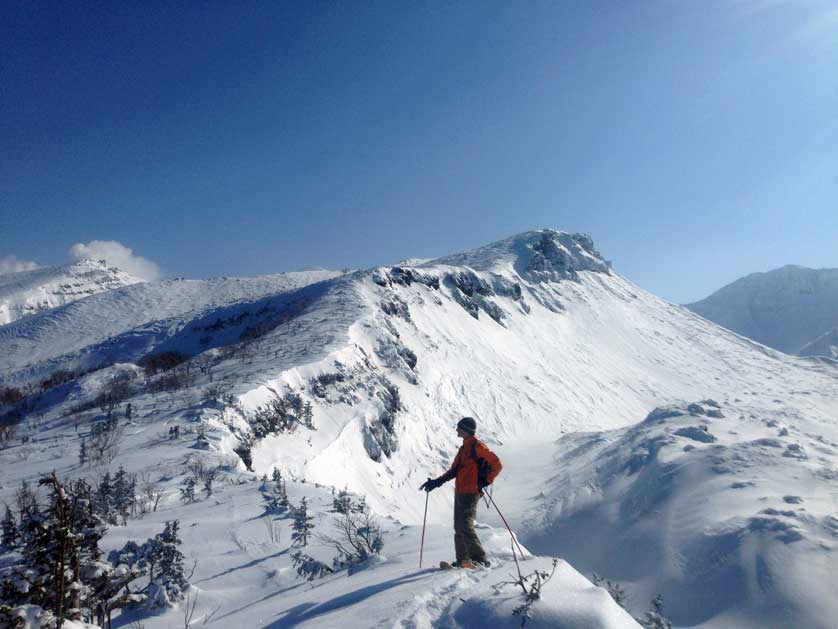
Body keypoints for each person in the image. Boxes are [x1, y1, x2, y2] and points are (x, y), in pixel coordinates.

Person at [420, 416, 503, 568]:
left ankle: (480, 558)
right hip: (461, 491)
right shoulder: (464, 448)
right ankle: (463, 559)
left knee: (465, 525)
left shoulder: (477, 447)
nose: (457, 430)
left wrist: (486, 480)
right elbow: (454, 471)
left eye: (459, 428)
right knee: (459, 526)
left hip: (471, 492)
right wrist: (435, 483)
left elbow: (497, 464)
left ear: (465, 430)